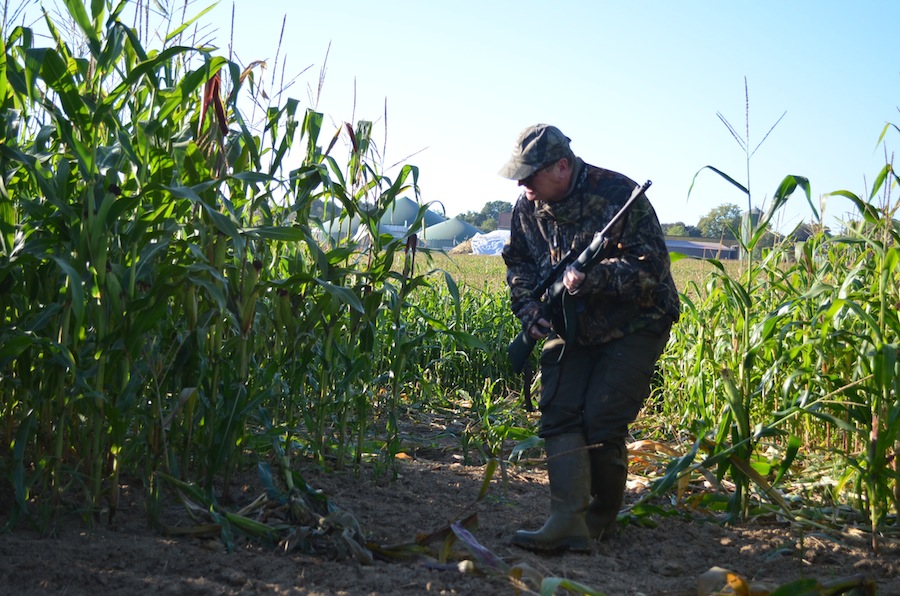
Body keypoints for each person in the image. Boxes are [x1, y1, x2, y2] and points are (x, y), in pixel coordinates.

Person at [499, 124, 680, 553]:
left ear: (562, 166)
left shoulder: (619, 195)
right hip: (568, 323)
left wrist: (593, 278)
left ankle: (598, 522)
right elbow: (519, 263)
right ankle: (565, 521)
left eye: (530, 174)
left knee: (601, 420)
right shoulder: (529, 206)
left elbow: (652, 271)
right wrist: (529, 311)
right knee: (558, 411)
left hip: (635, 322)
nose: (522, 184)